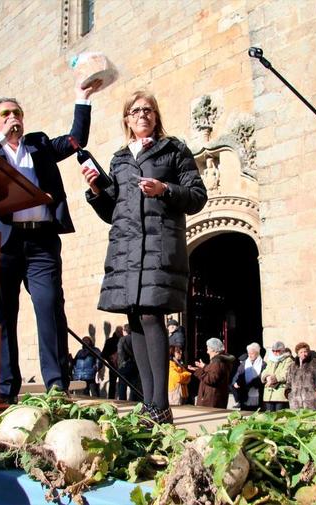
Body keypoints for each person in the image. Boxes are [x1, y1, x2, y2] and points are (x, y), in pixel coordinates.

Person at [0, 80, 101, 402]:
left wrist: (82, 99)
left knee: (49, 307)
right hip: (3, 242)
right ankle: (6, 390)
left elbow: (76, 140)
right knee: (3, 313)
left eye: (17, 113)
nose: (13, 118)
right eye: (6, 114)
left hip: (41, 242)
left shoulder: (40, 145)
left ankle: (56, 386)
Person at [83, 90, 207, 423]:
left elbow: (197, 196)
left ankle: (160, 405)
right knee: (135, 318)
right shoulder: (119, 159)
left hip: (159, 244)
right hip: (126, 248)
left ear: (156, 116)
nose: (142, 115)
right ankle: (148, 402)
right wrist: (96, 190)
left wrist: (164, 190)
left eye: (148, 110)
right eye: (136, 110)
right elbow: (113, 211)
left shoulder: (173, 149)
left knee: (152, 316)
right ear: (127, 119)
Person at [189, 338, 235, 408]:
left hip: (211, 399)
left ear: (213, 349)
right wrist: (204, 366)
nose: (207, 351)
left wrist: (198, 371)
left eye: (208, 348)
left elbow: (211, 379)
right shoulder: (221, 360)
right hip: (215, 397)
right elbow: (214, 372)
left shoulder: (217, 362)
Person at [231, 342, 265, 411]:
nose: (250, 355)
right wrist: (235, 382)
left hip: (258, 396)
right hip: (245, 396)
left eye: (252, 353)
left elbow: (261, 379)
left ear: (257, 353)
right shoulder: (244, 364)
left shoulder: (263, 364)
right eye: (248, 353)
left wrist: (250, 384)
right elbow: (237, 375)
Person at [286, 341, 316, 410]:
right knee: (297, 418)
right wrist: (288, 393)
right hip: (295, 400)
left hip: (310, 399)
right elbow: (288, 381)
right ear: (297, 354)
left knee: (310, 418)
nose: (303, 354)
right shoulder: (292, 366)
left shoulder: (315, 364)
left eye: (305, 351)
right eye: (301, 352)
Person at [261, 341, 292, 411]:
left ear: (282, 351)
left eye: (277, 351)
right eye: (273, 351)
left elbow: (286, 374)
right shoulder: (271, 360)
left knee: (279, 416)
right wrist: (266, 377)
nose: (275, 353)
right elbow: (265, 371)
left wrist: (273, 378)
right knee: (268, 415)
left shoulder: (288, 360)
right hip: (268, 393)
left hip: (280, 392)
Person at [117, 324, 141, 401]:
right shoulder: (136, 339)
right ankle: (133, 400)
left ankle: (122, 401)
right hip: (134, 364)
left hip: (125, 365)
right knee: (134, 385)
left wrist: (121, 364)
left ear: (125, 330)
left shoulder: (122, 339)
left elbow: (120, 352)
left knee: (122, 386)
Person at [101, 325, 122, 399]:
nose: (120, 333)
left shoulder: (124, 339)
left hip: (123, 365)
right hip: (113, 365)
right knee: (112, 384)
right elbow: (104, 354)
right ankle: (111, 399)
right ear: (116, 332)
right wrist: (111, 360)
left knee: (123, 384)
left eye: (121, 331)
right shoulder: (109, 341)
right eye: (119, 331)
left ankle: (122, 399)